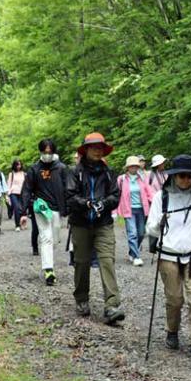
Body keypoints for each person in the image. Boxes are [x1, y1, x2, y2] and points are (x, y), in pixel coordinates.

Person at [146, 155, 191, 364]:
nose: (186, 180)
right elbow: (150, 227)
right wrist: (161, 221)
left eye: (189, 176)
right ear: (174, 177)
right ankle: (172, 331)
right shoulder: (162, 198)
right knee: (175, 299)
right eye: (182, 176)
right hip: (168, 255)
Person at [65, 132, 125, 324]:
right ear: (86, 150)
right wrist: (87, 204)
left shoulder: (109, 172)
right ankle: (82, 299)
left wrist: (103, 204)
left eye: (100, 148)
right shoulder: (75, 172)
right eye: (94, 147)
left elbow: (115, 196)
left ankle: (112, 305)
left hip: (103, 223)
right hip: (81, 224)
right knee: (81, 263)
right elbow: (70, 197)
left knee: (107, 260)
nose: (98, 151)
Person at [20, 139, 68, 286]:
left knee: (55, 238)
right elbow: (27, 190)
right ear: (40, 152)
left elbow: (68, 189)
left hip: (57, 209)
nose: (47, 155)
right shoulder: (34, 169)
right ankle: (49, 270)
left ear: (53, 152)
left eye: (49, 152)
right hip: (41, 208)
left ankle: (49, 259)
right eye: (44, 152)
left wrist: (69, 209)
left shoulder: (61, 168)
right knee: (46, 237)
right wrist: (23, 212)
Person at [116, 156, 153, 267]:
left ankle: (132, 252)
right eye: (132, 166)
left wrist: (156, 203)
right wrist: (114, 211)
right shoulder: (121, 179)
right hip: (128, 209)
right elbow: (116, 195)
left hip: (141, 209)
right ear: (128, 167)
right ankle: (136, 257)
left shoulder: (142, 178)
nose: (134, 168)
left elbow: (148, 192)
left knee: (141, 233)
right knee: (132, 233)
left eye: (136, 166)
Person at [8, 159, 25, 232]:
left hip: (22, 193)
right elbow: (9, 184)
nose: (19, 166)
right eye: (17, 164)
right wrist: (7, 195)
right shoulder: (11, 174)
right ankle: (17, 225)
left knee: (22, 209)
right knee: (16, 208)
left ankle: (21, 222)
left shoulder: (23, 174)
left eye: (20, 164)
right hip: (13, 192)